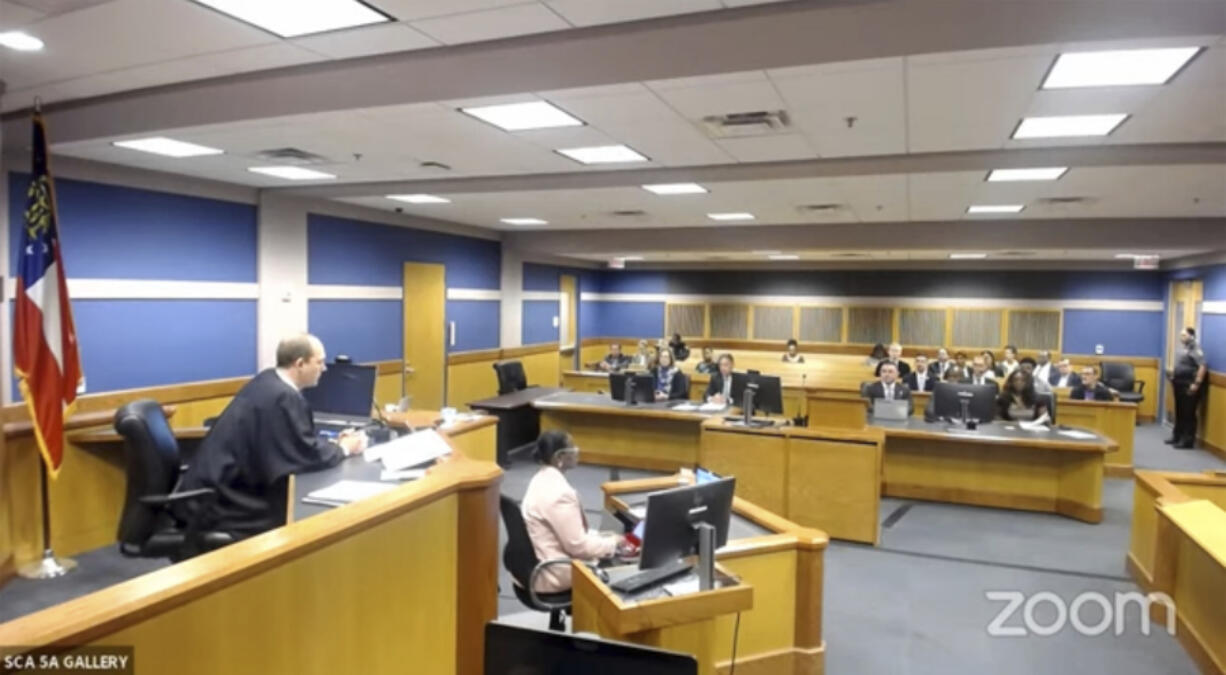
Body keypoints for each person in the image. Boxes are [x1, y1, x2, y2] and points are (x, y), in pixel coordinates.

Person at [178, 334, 367, 540]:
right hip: (227, 504)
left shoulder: (268, 380)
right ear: (300, 364)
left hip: (215, 486)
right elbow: (302, 454)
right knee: (303, 523)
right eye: (319, 362)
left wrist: (332, 443)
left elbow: (294, 442)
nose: (324, 368)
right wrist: (344, 448)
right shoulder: (282, 397)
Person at [521, 430, 627, 593]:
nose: (577, 450)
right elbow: (578, 547)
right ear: (560, 457)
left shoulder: (539, 479)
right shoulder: (560, 494)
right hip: (555, 573)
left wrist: (602, 537)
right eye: (572, 447)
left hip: (537, 563)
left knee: (605, 543)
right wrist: (613, 543)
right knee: (623, 568)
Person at [1169, 327, 1208, 449]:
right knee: (1179, 410)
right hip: (1179, 383)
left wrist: (1196, 383)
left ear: (1191, 336)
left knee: (1188, 413)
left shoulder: (1196, 349)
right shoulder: (1183, 349)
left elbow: (1202, 366)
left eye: (1184, 335)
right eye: (1181, 335)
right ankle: (1177, 436)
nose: (1182, 338)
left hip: (1189, 384)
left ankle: (1187, 440)